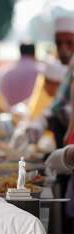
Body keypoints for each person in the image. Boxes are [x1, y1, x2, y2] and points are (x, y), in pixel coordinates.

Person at [26, 17, 74, 148]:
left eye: (70, 43)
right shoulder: (70, 69)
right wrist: (40, 123)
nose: (63, 49)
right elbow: (57, 106)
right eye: (59, 43)